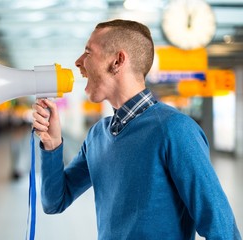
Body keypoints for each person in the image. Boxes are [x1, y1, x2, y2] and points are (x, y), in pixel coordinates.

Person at [32, 19, 241, 240]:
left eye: (88, 52)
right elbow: (54, 201)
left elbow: (222, 230)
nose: (78, 62)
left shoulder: (175, 130)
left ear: (117, 61)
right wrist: (52, 143)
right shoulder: (97, 136)